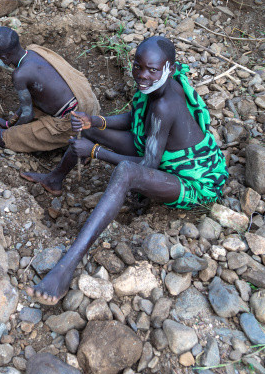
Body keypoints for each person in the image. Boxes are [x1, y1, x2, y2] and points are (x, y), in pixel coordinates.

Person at [22, 35, 229, 305]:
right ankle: (54, 179)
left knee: (126, 173)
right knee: (90, 130)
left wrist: (95, 152)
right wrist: (94, 121)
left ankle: (66, 267)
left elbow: (144, 167)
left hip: (195, 182)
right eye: (138, 66)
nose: (142, 75)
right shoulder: (155, 88)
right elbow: (137, 117)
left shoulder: (165, 106)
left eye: (152, 70)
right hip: (158, 150)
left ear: (170, 69)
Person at [0, 26, 100, 153]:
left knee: (7, 138)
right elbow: (31, 100)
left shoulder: (20, 75)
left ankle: (81, 141)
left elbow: (28, 114)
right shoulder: (35, 50)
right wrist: (9, 122)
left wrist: (9, 131)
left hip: (74, 122)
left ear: (4, 58)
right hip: (88, 101)